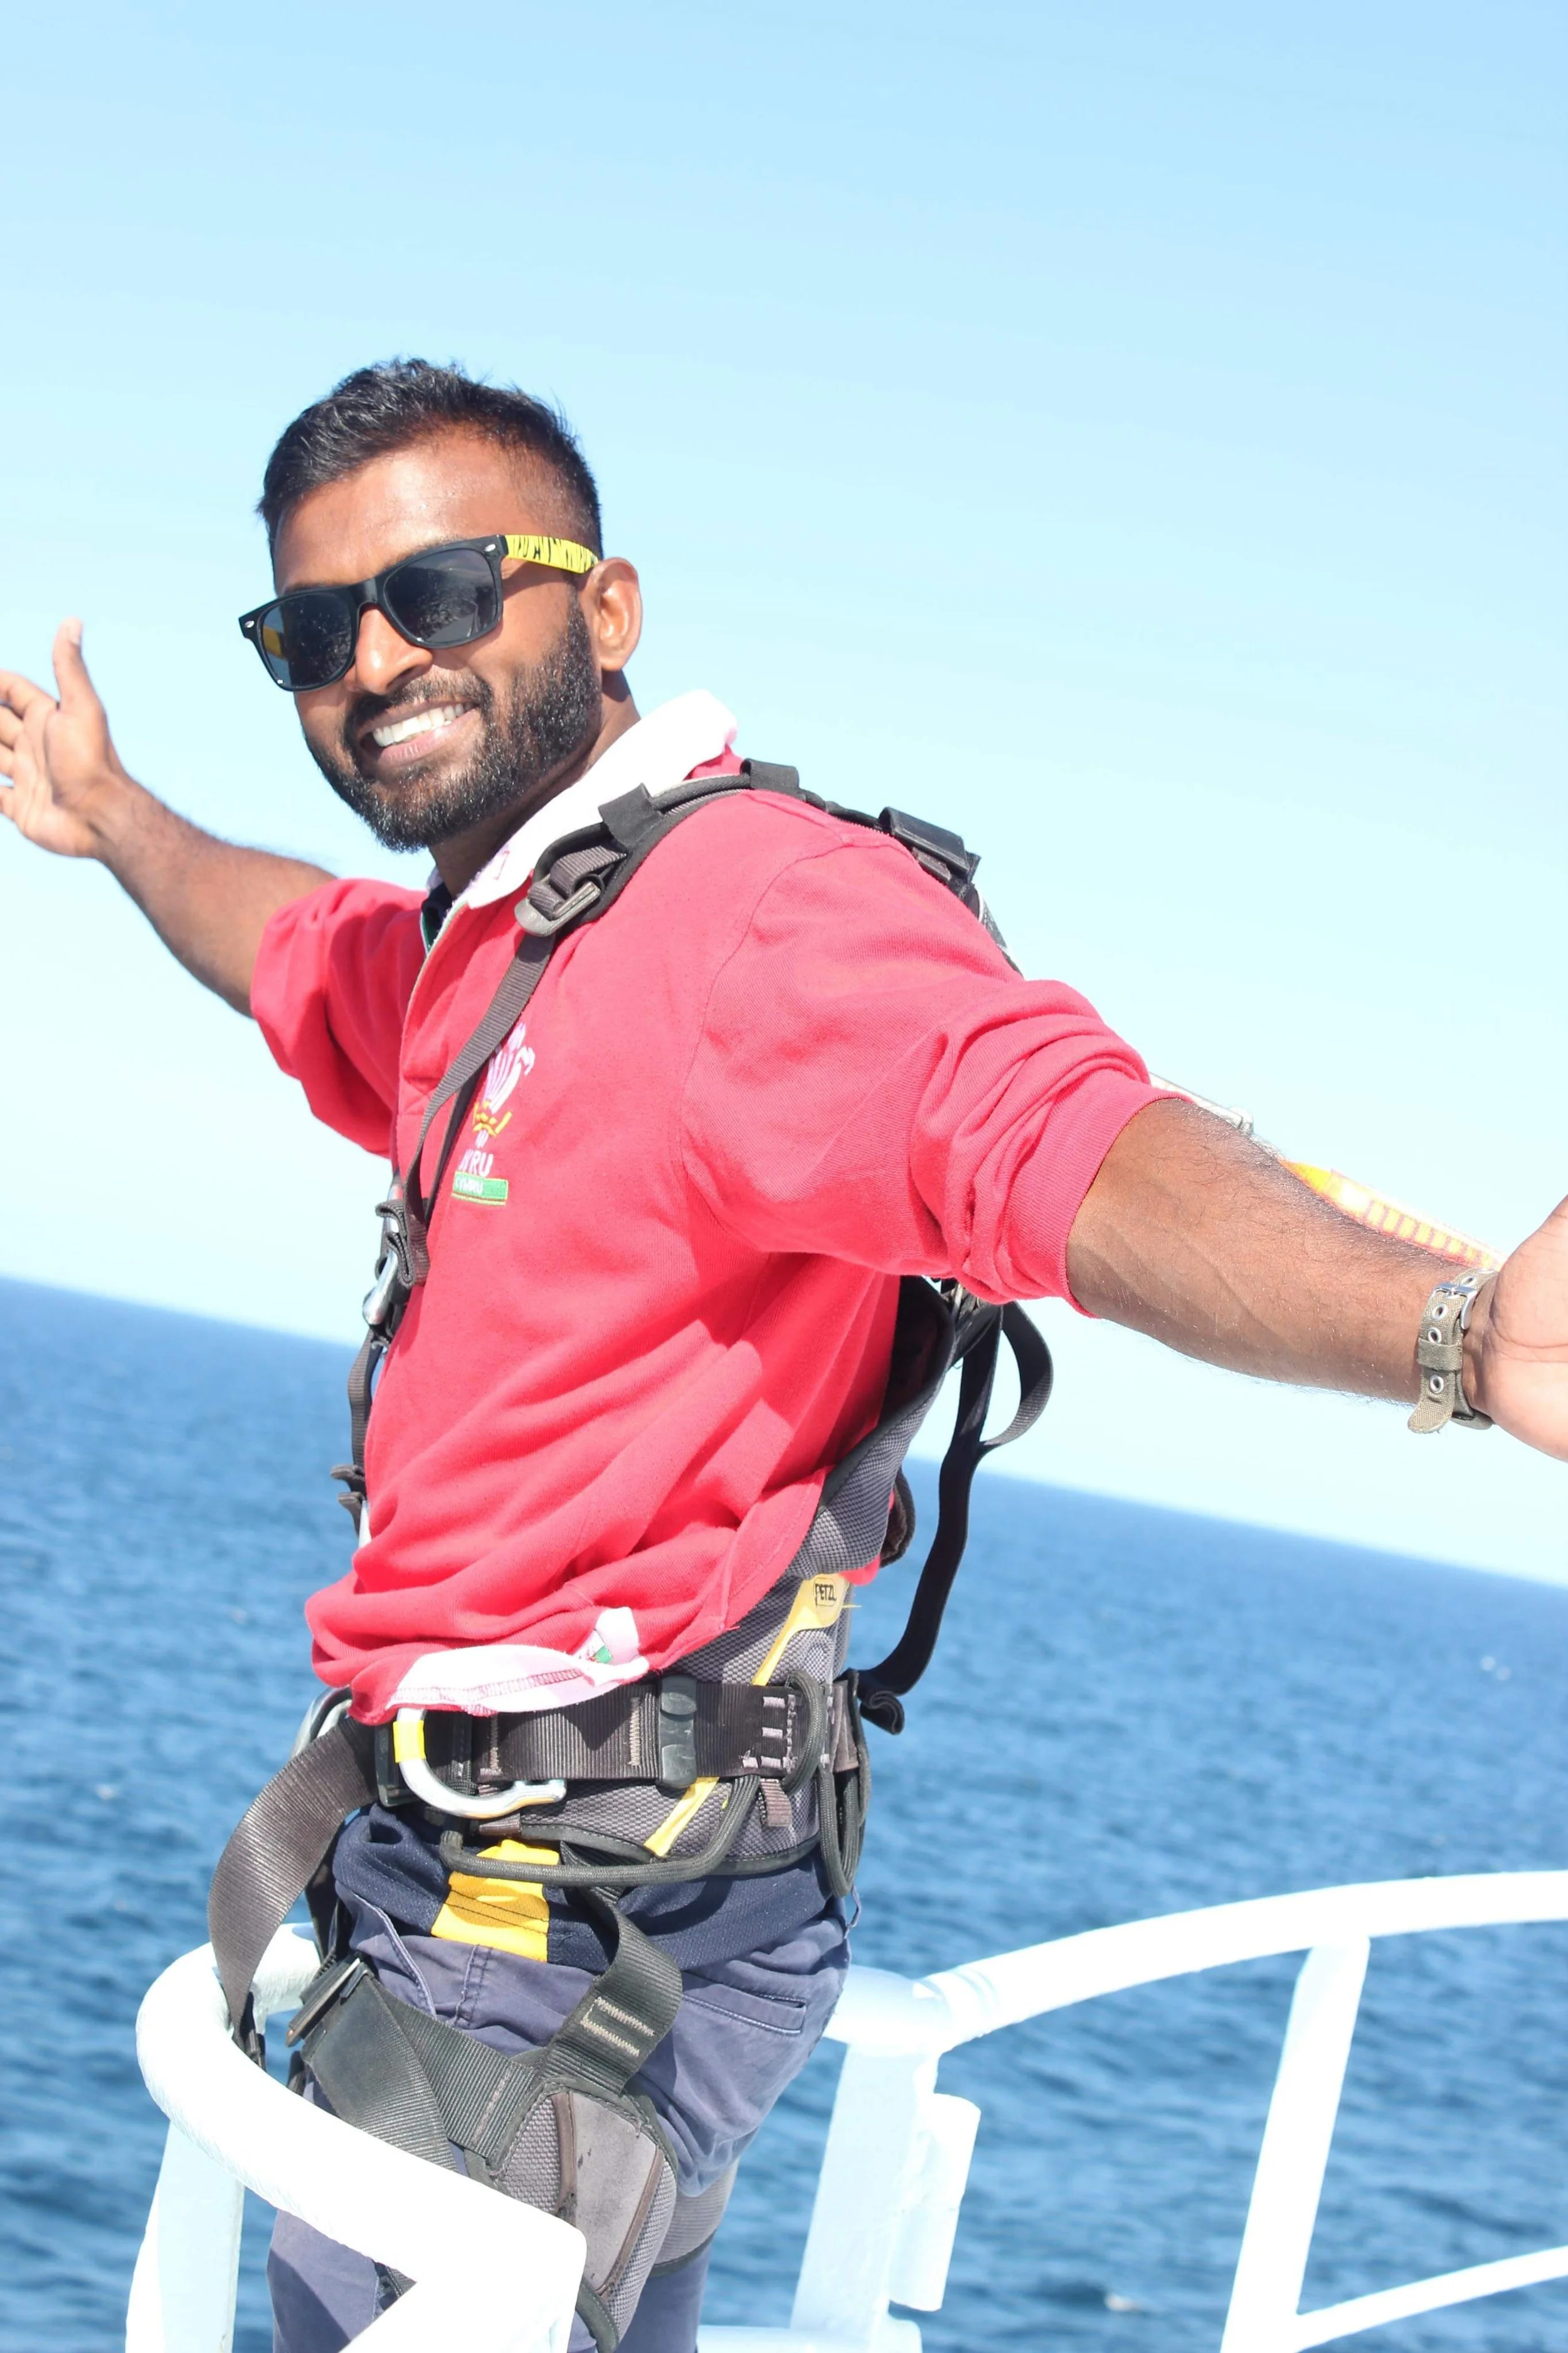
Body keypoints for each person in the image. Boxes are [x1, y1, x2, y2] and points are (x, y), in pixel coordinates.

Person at [2, 361, 1563, 2353]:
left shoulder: (752, 918)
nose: (377, 659)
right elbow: (292, 941)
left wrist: (1449, 1331)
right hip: (594, 1898)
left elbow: (1066, 1144)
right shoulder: (505, 944)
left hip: (546, 1934)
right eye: (316, 630)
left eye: (443, 591)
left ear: (608, 608)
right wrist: (114, 816)